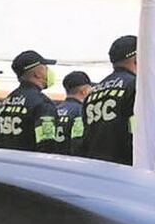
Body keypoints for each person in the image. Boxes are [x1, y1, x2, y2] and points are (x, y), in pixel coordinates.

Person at [82, 35, 137, 164]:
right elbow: (142, 132)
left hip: (96, 167)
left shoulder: (93, 92)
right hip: (126, 168)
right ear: (137, 58)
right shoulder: (135, 86)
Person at [0, 50, 58, 153]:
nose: (48, 71)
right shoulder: (42, 103)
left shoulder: (7, 101)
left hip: (6, 163)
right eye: (46, 67)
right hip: (30, 165)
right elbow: (46, 145)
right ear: (37, 73)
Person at [55, 71, 91, 156]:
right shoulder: (81, 111)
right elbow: (78, 142)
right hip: (71, 162)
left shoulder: (54, 110)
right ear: (84, 91)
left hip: (54, 160)